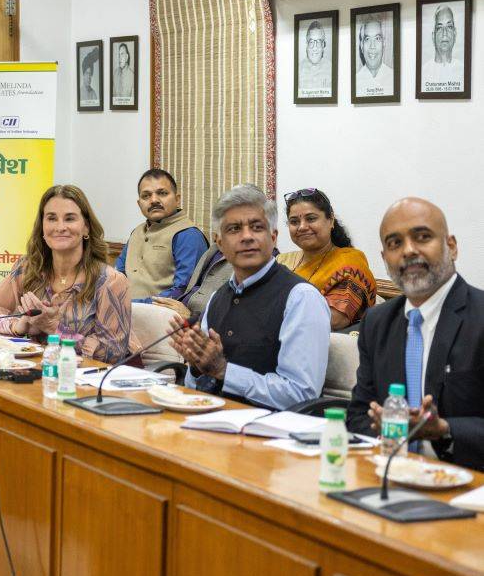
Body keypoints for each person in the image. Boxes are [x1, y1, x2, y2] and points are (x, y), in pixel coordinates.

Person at [347, 198, 484, 470]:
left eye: (422, 237)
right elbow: (359, 415)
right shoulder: (376, 321)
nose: (409, 251)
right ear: (385, 258)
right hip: (389, 474)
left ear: (452, 247)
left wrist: (444, 429)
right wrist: (386, 429)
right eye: (395, 243)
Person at [169, 185, 330, 410]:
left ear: (273, 237)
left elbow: (302, 395)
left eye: (257, 227)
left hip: (273, 435)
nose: (247, 237)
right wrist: (198, 367)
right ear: (220, 243)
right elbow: (195, 388)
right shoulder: (218, 297)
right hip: (212, 424)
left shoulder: (301, 299)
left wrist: (224, 371)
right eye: (234, 229)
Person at [0, 184, 139, 365]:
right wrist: (18, 326)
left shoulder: (110, 281)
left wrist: (54, 328)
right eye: (51, 219)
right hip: (37, 372)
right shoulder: (28, 268)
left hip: (91, 382)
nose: (60, 227)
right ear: (42, 228)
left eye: (69, 219)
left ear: (86, 228)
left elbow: (112, 353)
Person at [277, 188, 376, 331]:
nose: (302, 227)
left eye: (311, 218)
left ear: (330, 220)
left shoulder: (349, 264)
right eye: (294, 221)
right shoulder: (282, 260)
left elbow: (333, 320)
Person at [115, 168, 208, 302]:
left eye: (162, 193)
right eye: (146, 196)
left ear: (177, 199)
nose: (153, 200)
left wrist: (133, 305)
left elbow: (182, 292)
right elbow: (118, 275)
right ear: (139, 203)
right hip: (126, 312)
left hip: (163, 316)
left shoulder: (188, 235)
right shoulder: (137, 232)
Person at [421, 5, 463, 91]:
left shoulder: (463, 71)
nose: (445, 33)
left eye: (449, 27)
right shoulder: (423, 73)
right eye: (439, 28)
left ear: (455, 34)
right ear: (433, 36)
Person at [355, 15, 394, 97]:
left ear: (384, 43)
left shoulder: (394, 78)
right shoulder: (355, 81)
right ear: (361, 46)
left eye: (377, 38)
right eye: (367, 39)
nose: (372, 46)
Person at [298, 20, 332, 98]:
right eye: (311, 42)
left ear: (323, 45)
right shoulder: (298, 70)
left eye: (319, 42)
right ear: (306, 45)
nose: (315, 48)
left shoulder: (331, 69)